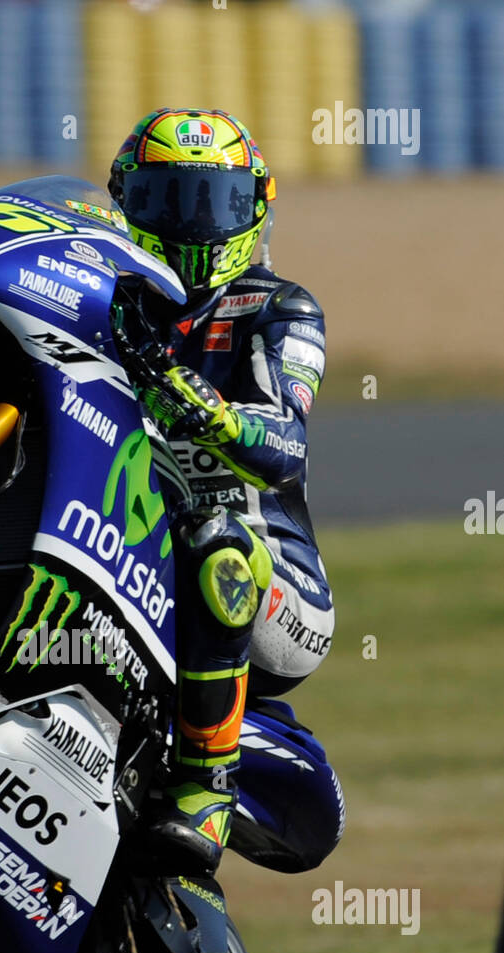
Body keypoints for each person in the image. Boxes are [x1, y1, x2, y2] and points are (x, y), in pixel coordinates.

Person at [108, 108, 337, 875]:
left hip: (278, 584)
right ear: (124, 202)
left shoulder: (280, 310)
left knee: (214, 536)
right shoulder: (111, 304)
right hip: (140, 557)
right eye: (167, 201)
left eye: (215, 203)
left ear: (255, 207)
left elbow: (282, 447)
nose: (193, 224)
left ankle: (206, 781)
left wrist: (202, 409)